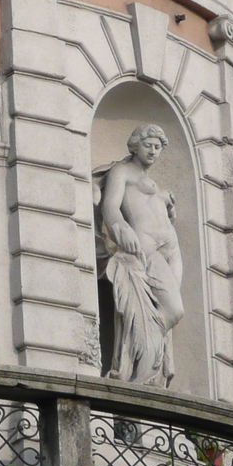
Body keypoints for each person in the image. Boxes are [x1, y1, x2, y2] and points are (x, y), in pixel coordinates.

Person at [95, 123, 184, 386]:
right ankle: (139, 367)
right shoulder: (122, 171)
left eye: (158, 147)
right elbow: (110, 207)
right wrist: (121, 229)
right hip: (143, 248)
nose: (153, 151)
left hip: (170, 247)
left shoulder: (157, 185)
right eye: (148, 145)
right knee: (174, 310)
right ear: (135, 145)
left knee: (166, 308)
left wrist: (168, 207)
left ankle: (147, 364)